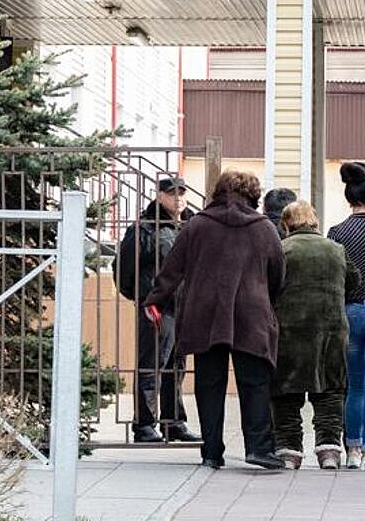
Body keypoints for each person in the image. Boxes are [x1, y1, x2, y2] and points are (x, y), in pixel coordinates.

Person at [147, 170, 287, 471]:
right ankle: (259, 448)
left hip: (205, 313)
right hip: (251, 313)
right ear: (253, 195)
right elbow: (278, 272)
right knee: (255, 381)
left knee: (209, 384)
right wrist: (267, 300)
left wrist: (154, 299)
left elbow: (172, 268)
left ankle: (211, 451)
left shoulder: (197, 225)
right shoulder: (264, 228)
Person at [270, 201, 356, 470]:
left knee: (286, 393)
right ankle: (329, 451)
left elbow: (268, 286)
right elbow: (354, 280)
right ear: (314, 221)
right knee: (330, 392)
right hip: (331, 331)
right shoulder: (336, 249)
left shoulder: (282, 249)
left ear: (286, 224)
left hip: (289, 332)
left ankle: (289, 451)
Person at [114, 176, 200, 444]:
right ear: (159, 196)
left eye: (182, 193)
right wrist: (144, 297)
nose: (178, 198)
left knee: (177, 366)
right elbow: (124, 268)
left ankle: (173, 422)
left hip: (185, 307)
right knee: (151, 365)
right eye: (172, 193)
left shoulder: (192, 225)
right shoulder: (145, 228)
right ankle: (144, 425)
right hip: (157, 308)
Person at [327, 162, 365, 470]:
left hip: (348, 311)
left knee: (355, 385)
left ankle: (351, 449)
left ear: (348, 196)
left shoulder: (337, 232)